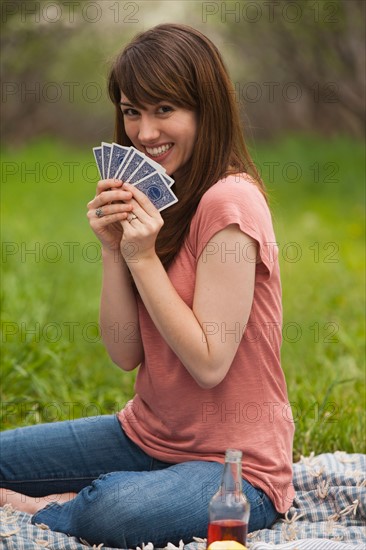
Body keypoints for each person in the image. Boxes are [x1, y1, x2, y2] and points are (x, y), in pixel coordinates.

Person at [0, 23, 295, 548]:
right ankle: (104, 492)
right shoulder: (161, 198)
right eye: (133, 111)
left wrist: (142, 258)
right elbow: (123, 352)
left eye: (165, 110)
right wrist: (115, 250)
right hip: (145, 436)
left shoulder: (231, 203)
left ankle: (64, 507)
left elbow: (209, 363)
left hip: (235, 467)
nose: (145, 132)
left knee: (116, 512)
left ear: (206, 110)